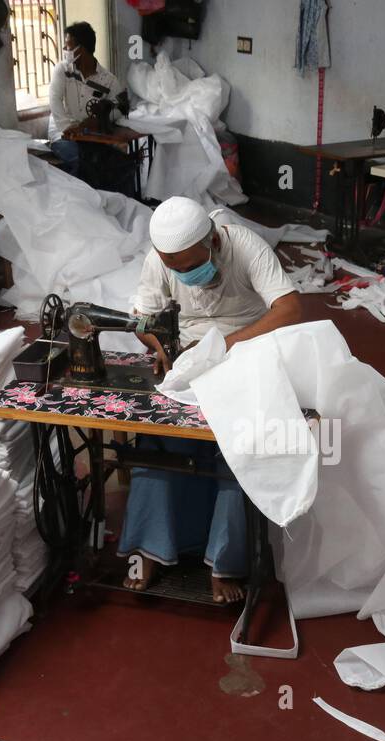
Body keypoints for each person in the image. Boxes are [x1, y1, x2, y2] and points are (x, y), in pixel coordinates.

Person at [118, 197, 302, 603]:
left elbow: (289, 308)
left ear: (214, 241)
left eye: (189, 265)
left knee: (236, 445)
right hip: (189, 352)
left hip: (249, 344)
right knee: (157, 436)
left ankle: (224, 561)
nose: (183, 273)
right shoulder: (160, 260)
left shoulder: (247, 246)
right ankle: (149, 550)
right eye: (175, 268)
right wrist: (163, 347)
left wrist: (224, 346)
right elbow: (143, 319)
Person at [46, 21, 129, 192]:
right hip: (61, 134)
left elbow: (122, 108)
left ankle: (113, 203)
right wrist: (68, 129)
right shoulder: (62, 70)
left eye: (68, 45)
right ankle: (80, 206)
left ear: (81, 49)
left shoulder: (108, 80)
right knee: (79, 159)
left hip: (90, 135)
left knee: (119, 161)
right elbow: (54, 100)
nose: (64, 49)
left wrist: (99, 120)